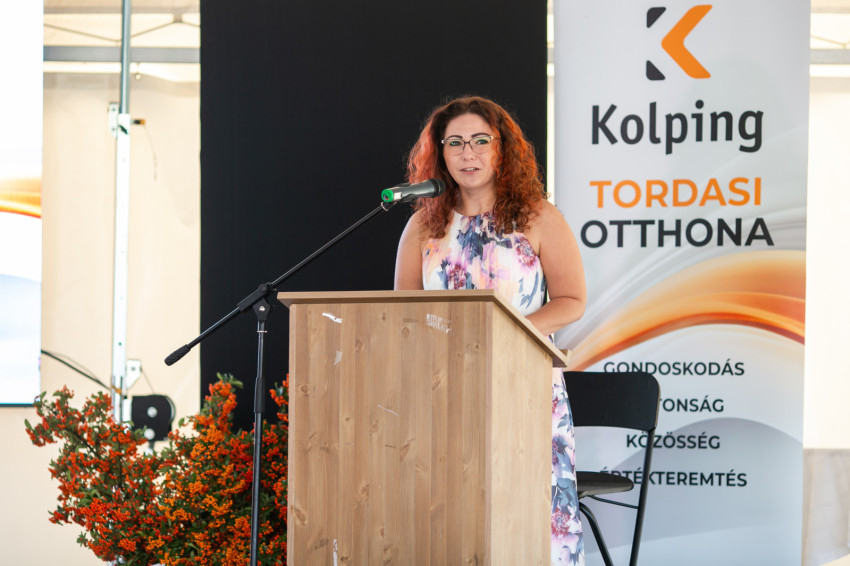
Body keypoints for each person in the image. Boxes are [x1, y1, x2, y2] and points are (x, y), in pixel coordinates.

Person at [393, 95, 587, 565]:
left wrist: (504, 333)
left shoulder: (538, 216)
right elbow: (403, 312)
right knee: (453, 518)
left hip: (523, 386)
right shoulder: (422, 226)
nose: (468, 153)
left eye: (481, 140)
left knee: (529, 517)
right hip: (444, 390)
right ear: (440, 153)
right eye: (455, 143)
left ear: (502, 149)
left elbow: (572, 300)